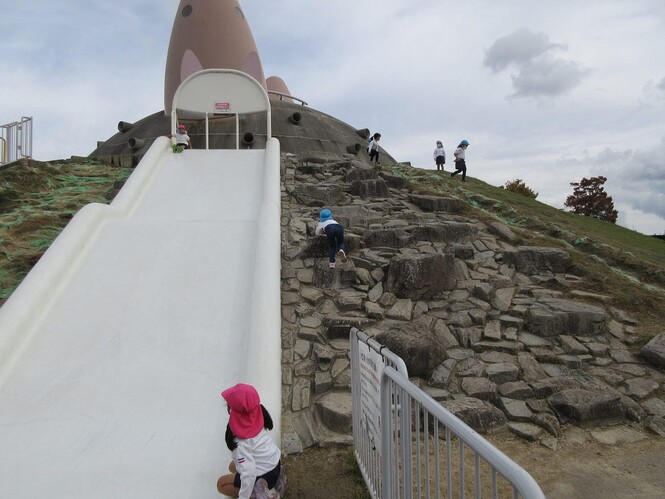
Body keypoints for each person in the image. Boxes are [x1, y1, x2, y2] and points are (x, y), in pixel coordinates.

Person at [217, 384, 282, 499]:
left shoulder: (241, 441)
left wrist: (243, 497)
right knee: (233, 466)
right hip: (275, 465)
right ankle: (269, 485)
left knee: (221, 484)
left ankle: (261, 493)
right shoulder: (259, 415)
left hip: (265, 476)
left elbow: (249, 474)